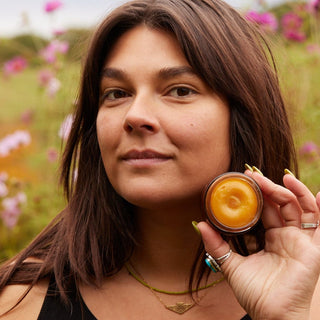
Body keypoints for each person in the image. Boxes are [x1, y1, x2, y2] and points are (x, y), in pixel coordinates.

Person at [1, 0, 320, 319]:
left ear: (245, 117)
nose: (135, 115)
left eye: (180, 91)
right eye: (116, 93)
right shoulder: (18, 303)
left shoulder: (306, 298)